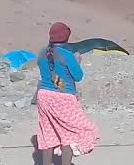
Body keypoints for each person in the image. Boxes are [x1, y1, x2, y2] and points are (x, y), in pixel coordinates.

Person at [36, 22, 100, 165]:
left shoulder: (41, 53)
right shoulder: (68, 55)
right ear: (66, 38)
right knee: (70, 133)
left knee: (47, 132)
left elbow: (49, 76)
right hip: (64, 98)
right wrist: (77, 62)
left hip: (44, 96)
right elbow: (78, 76)